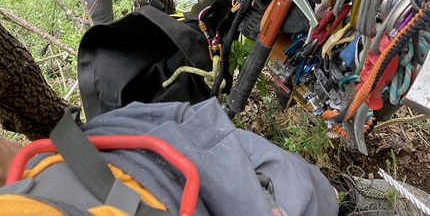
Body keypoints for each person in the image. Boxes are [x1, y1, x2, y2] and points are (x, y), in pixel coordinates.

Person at [0, 98, 428, 216]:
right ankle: (346, 198)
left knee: (287, 177)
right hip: (142, 172)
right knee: (294, 190)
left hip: (108, 160)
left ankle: (343, 196)